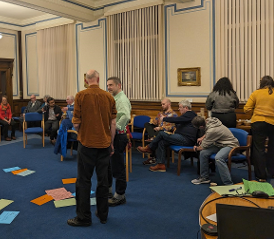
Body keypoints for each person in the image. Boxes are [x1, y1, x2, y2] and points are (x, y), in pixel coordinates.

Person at [67, 69, 116, 227]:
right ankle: (103, 215)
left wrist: (81, 129)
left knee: (83, 181)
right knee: (103, 181)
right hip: (104, 144)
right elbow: (113, 124)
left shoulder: (80, 96)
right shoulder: (109, 97)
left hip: (86, 144)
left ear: (87, 81)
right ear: (99, 79)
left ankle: (83, 218)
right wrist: (111, 142)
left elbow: (75, 123)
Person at [137, 100, 198, 172]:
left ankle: (150, 148)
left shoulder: (190, 114)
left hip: (186, 139)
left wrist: (164, 119)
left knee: (162, 133)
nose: (179, 109)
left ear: (186, 108)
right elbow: (178, 123)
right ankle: (161, 165)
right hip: (180, 137)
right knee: (162, 142)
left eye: (180, 107)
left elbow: (177, 120)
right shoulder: (186, 116)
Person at [244, 75, 274, 181]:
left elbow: (246, 109)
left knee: (259, 149)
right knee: (273, 148)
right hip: (273, 123)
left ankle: (261, 176)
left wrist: (255, 112)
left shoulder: (256, 93)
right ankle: (273, 172)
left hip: (258, 122)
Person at [191, 116, 239, 185]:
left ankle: (228, 183)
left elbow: (202, 146)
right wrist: (203, 137)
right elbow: (208, 131)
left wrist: (195, 148)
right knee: (203, 153)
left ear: (201, 127)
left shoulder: (212, 131)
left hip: (230, 145)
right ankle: (204, 178)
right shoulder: (209, 120)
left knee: (219, 158)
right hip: (219, 144)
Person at [106, 77, 131, 207]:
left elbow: (126, 116)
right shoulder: (114, 98)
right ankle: (109, 191)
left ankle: (120, 195)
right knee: (110, 165)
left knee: (118, 166)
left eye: (111, 85)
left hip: (119, 136)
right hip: (114, 135)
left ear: (118, 85)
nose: (109, 87)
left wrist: (117, 127)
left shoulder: (121, 99)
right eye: (108, 85)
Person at [142, 98, 178, 165]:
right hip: (157, 131)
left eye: (163, 104)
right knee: (147, 124)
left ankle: (153, 156)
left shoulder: (173, 115)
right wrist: (153, 121)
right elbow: (156, 122)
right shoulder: (160, 113)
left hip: (165, 132)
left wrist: (160, 128)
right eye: (161, 104)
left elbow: (171, 127)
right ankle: (153, 137)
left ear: (169, 104)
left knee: (159, 134)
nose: (162, 105)